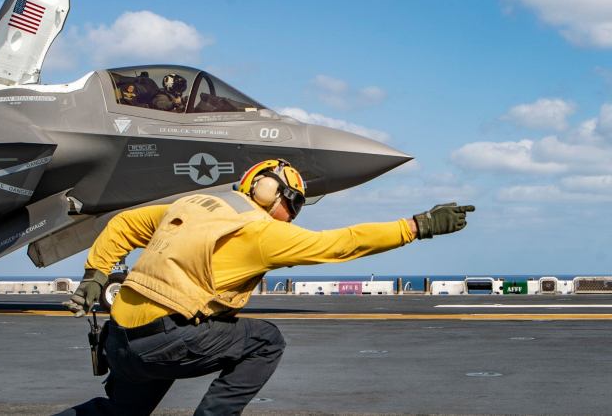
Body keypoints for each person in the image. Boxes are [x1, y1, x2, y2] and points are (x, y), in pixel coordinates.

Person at [61, 159, 474, 415]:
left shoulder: (193, 205)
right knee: (265, 341)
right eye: (292, 202)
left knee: (119, 413)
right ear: (267, 191)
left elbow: (124, 223)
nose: (292, 214)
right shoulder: (261, 231)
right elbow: (341, 244)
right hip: (163, 341)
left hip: (120, 340)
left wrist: (95, 275)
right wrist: (415, 226)